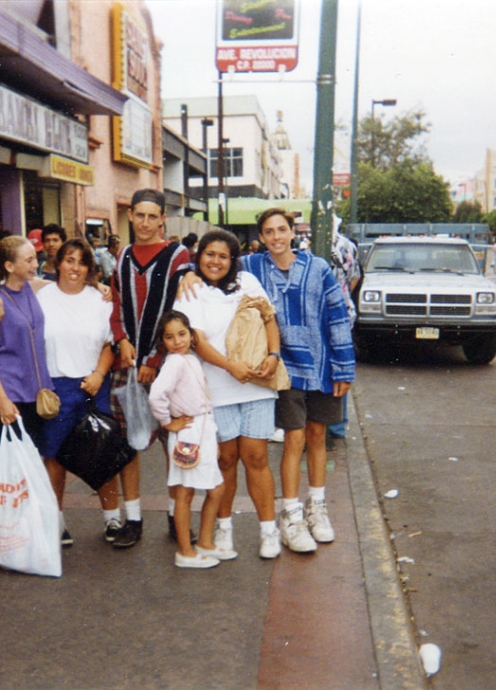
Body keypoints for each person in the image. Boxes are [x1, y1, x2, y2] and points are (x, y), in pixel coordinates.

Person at [243, 208, 355, 553]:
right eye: (268, 232)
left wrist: (344, 367)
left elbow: (337, 316)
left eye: (281, 230)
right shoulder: (250, 267)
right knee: (294, 439)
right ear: (260, 238)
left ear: (293, 232)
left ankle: (316, 507)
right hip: (282, 369)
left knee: (318, 435)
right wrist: (188, 274)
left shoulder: (318, 268)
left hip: (320, 366)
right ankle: (290, 514)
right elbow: (209, 267)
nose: (276, 237)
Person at [174, 230, 282, 559]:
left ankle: (269, 531)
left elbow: (269, 319)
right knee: (225, 461)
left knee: (257, 457)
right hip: (215, 389)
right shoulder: (190, 291)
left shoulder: (248, 282)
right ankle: (223, 529)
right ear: (199, 256)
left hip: (255, 385)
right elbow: (198, 340)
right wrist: (229, 366)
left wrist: (273, 356)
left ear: (232, 260)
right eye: (209, 255)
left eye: (223, 256)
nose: (215, 262)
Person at [108, 188, 191, 548]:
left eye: (151, 216)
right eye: (138, 215)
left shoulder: (177, 256)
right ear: (130, 216)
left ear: (162, 219)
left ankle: (177, 516)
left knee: (173, 443)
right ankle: (134, 518)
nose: (144, 222)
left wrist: (155, 361)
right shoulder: (123, 256)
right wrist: (122, 341)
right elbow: (116, 306)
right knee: (128, 445)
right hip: (126, 365)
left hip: (168, 369)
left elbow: (178, 312)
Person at [36, 238, 120, 546]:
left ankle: (112, 517)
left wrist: (98, 374)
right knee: (55, 456)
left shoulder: (100, 300)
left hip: (93, 384)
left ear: (90, 268)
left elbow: (109, 346)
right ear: (58, 263)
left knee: (102, 451)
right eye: (69, 260)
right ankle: (56, 522)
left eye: (82, 262)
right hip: (56, 386)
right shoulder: (41, 296)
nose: (75, 268)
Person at [147, 311, 229, 569]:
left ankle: (204, 542)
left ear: (191, 335)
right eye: (169, 337)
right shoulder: (174, 363)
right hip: (188, 433)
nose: (177, 340)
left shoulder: (190, 359)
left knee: (215, 488)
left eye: (182, 334)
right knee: (185, 492)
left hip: (202, 430)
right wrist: (167, 422)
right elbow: (156, 395)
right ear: (163, 341)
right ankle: (185, 551)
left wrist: (211, 437)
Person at [0, 235, 53, 468]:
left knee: (35, 461)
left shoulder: (33, 286)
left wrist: (99, 286)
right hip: (9, 392)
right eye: (29, 260)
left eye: (35, 259)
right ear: (9, 266)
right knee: (12, 466)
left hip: (34, 392)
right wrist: (2, 400)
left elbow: (69, 284)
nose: (34, 265)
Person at [327, 226, 361, 445]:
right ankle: (338, 425)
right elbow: (355, 277)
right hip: (343, 309)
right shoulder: (348, 244)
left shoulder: (305, 243)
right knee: (340, 364)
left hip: (324, 312)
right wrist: (343, 291)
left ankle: (331, 425)